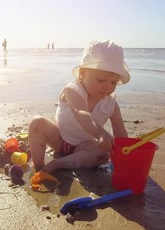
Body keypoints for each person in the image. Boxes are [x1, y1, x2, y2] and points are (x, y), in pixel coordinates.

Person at [28, 40, 130, 174]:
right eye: (101, 80)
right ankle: (39, 167)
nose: (107, 87)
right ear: (82, 73)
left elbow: (120, 132)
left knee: (102, 153)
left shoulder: (111, 103)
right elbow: (81, 112)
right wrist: (100, 133)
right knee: (37, 123)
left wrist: (128, 153)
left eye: (113, 82)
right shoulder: (73, 90)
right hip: (59, 138)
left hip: (85, 147)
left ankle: (58, 163)